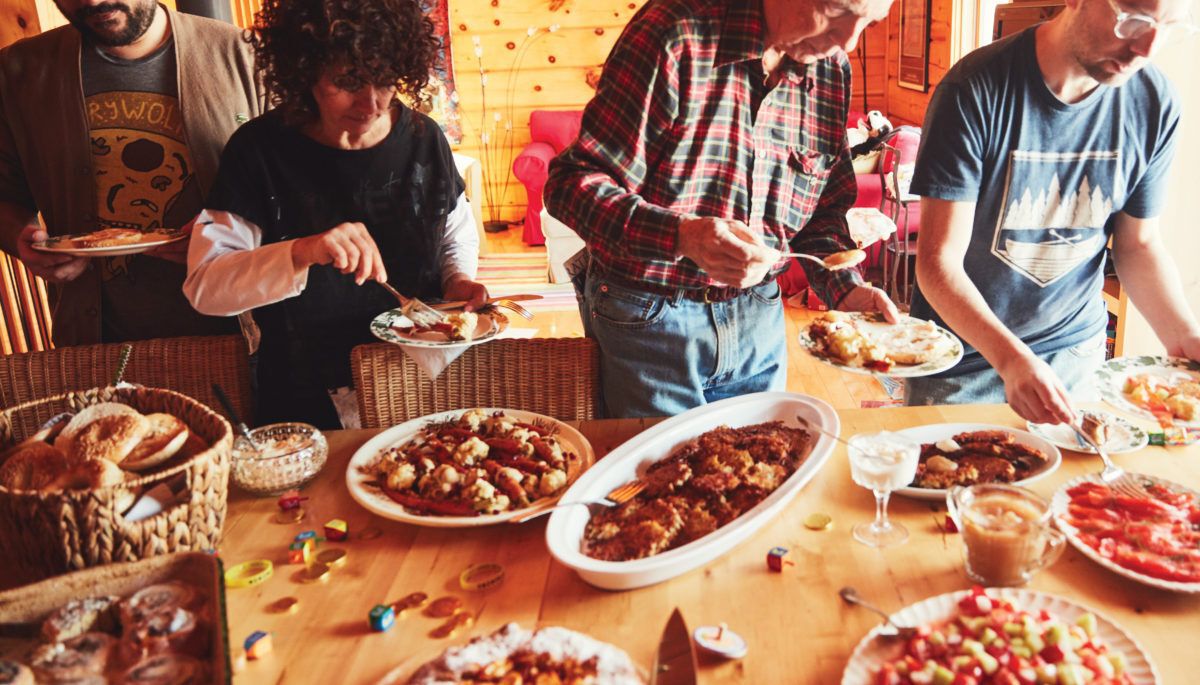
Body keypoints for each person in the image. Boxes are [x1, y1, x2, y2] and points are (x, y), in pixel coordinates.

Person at [543, 0, 899, 418]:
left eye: (870, 22)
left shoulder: (830, 68)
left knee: (766, 458)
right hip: (650, 318)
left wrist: (846, 287)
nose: (849, 41)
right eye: (836, 11)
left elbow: (825, 209)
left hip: (760, 314)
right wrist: (682, 237)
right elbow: (570, 185)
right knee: (661, 462)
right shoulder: (675, 33)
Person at [183, 0, 488, 428]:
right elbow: (205, 287)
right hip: (304, 392)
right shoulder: (259, 150)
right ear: (305, 71)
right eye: (348, 81)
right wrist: (302, 251)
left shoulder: (423, 137)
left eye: (385, 80)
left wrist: (457, 280)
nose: (371, 103)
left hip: (418, 381)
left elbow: (454, 232)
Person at [906, 0, 1200, 424]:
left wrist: (1185, 336)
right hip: (963, 363)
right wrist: (1011, 359)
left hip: (1076, 355)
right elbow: (937, 263)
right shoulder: (973, 88)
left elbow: (1138, 246)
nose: (1147, 49)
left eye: (1169, 27)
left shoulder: (1155, 101)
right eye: (1133, 21)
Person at [0, 0, 262, 346]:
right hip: (98, 348)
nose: (93, 2)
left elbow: (302, 196)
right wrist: (23, 240)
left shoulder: (246, 56)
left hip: (247, 339)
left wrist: (237, 237)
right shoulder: (16, 73)